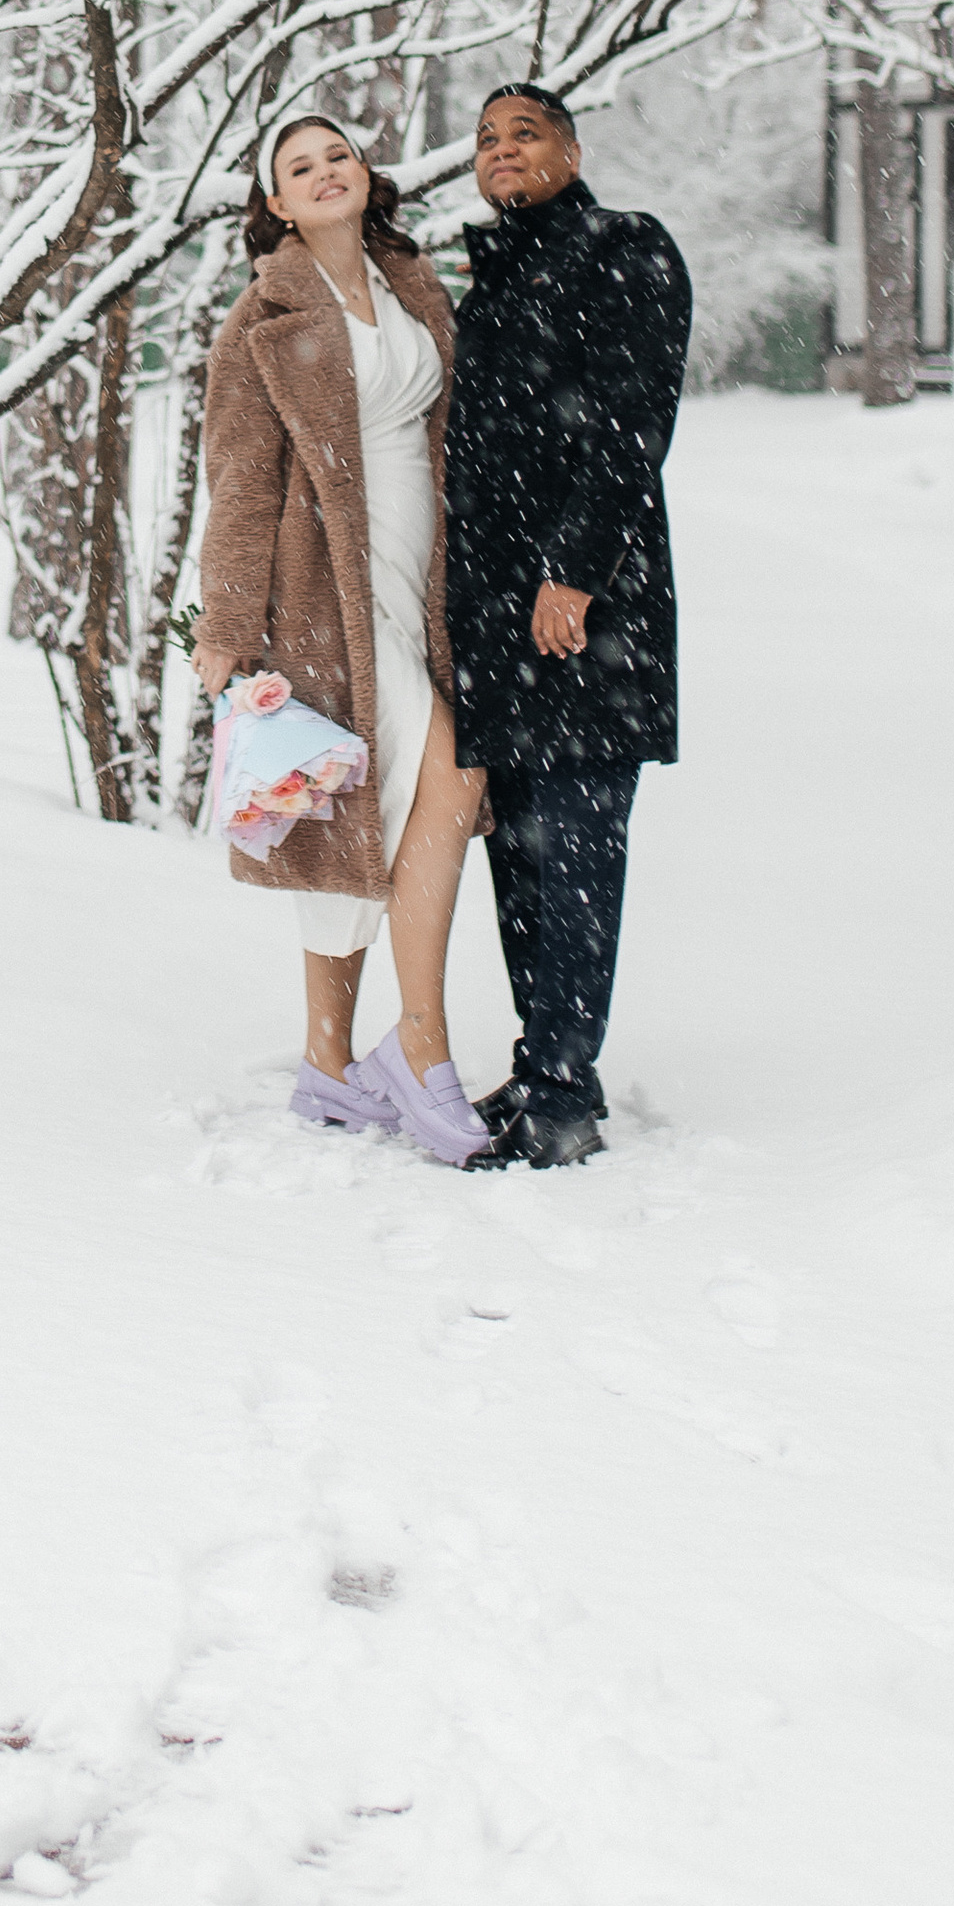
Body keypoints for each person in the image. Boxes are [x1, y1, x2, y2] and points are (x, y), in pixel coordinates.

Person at [190, 113, 493, 1166]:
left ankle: (329, 1068)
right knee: (436, 785)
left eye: (337, 157)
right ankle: (423, 1048)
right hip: (323, 585)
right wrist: (227, 623)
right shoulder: (259, 323)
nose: (324, 175)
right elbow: (237, 479)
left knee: (370, 813)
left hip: (423, 573)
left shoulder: (415, 287)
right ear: (273, 202)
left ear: (367, 177)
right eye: (298, 168)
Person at [446, 83, 692, 1169]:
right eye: (488, 140)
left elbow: (632, 420)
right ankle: (537, 1063)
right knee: (522, 852)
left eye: (524, 133)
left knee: (578, 843)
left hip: (589, 612)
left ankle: (564, 1093)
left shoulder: (624, 249)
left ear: (572, 148)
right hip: (495, 612)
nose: (503, 152)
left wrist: (574, 573)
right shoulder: (487, 276)